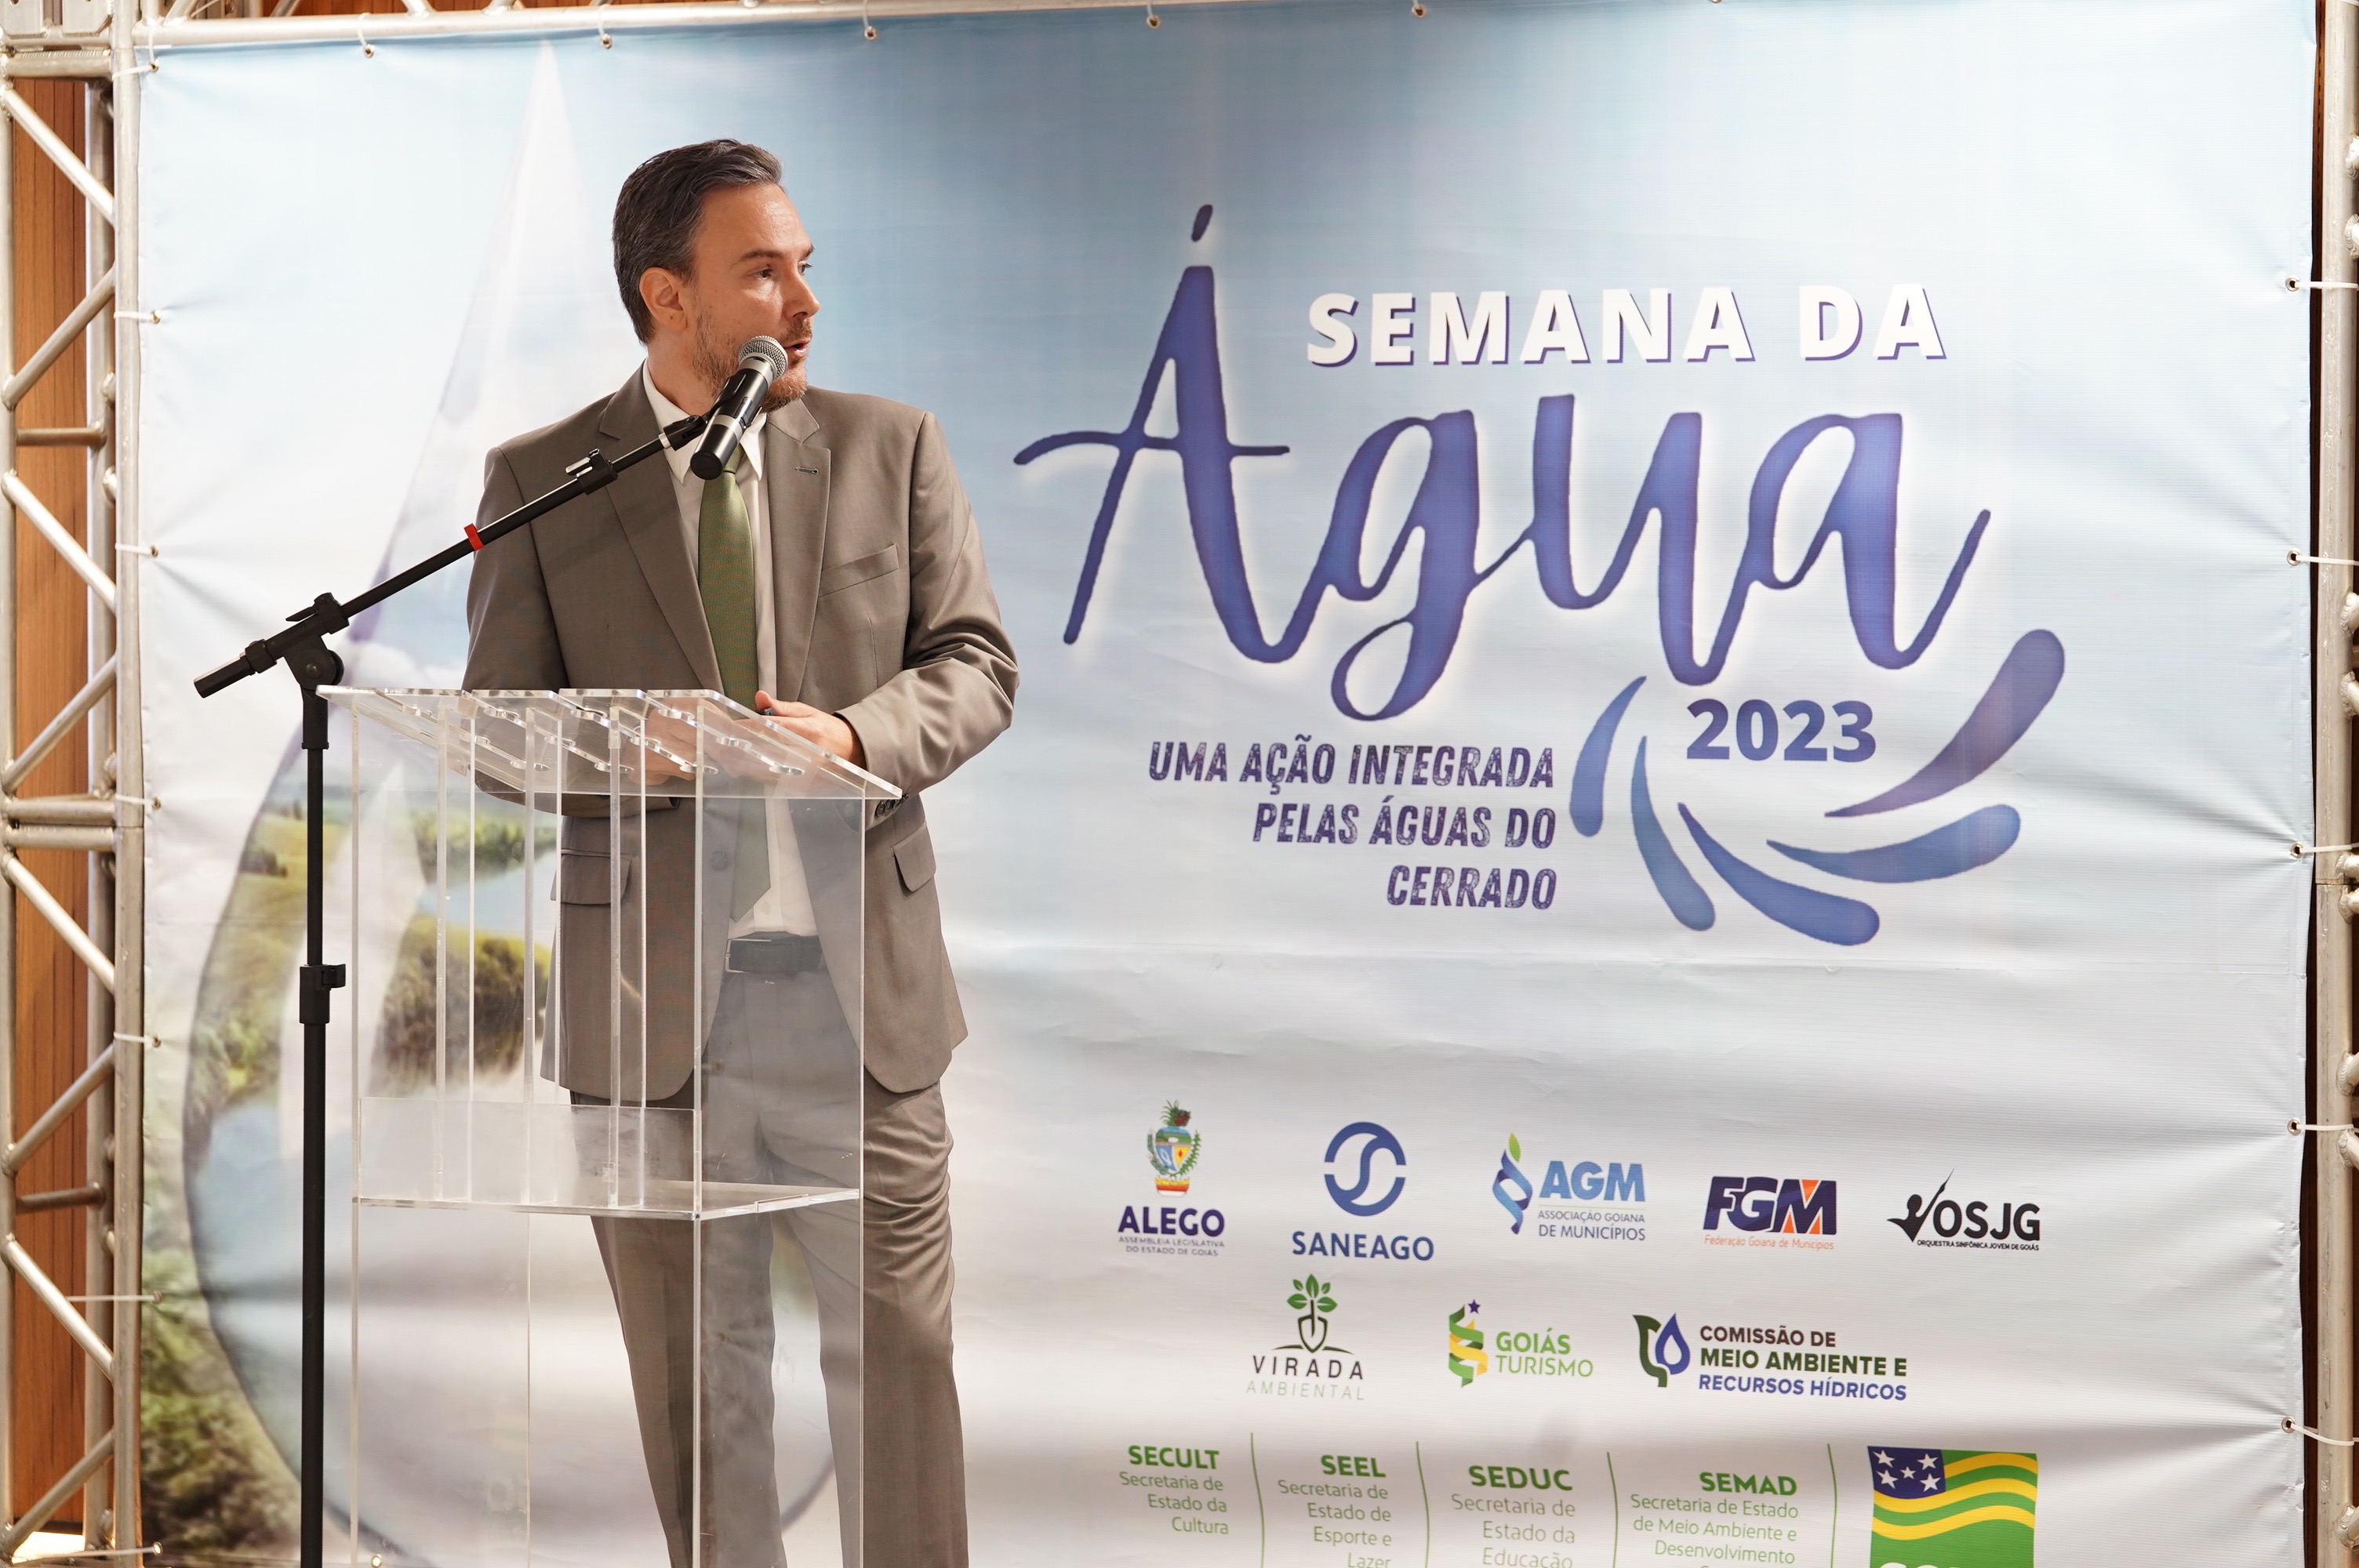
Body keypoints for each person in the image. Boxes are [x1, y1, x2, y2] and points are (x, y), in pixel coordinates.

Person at [460, 137, 1016, 1568]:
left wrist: (854, 734)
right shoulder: (545, 480)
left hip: (860, 1009)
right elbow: (497, 735)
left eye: (804, 267)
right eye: (762, 273)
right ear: (669, 296)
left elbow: (976, 665)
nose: (803, 303)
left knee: (900, 1367)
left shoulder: (890, 446)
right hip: (654, 1025)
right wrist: (623, 749)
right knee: (698, 1391)